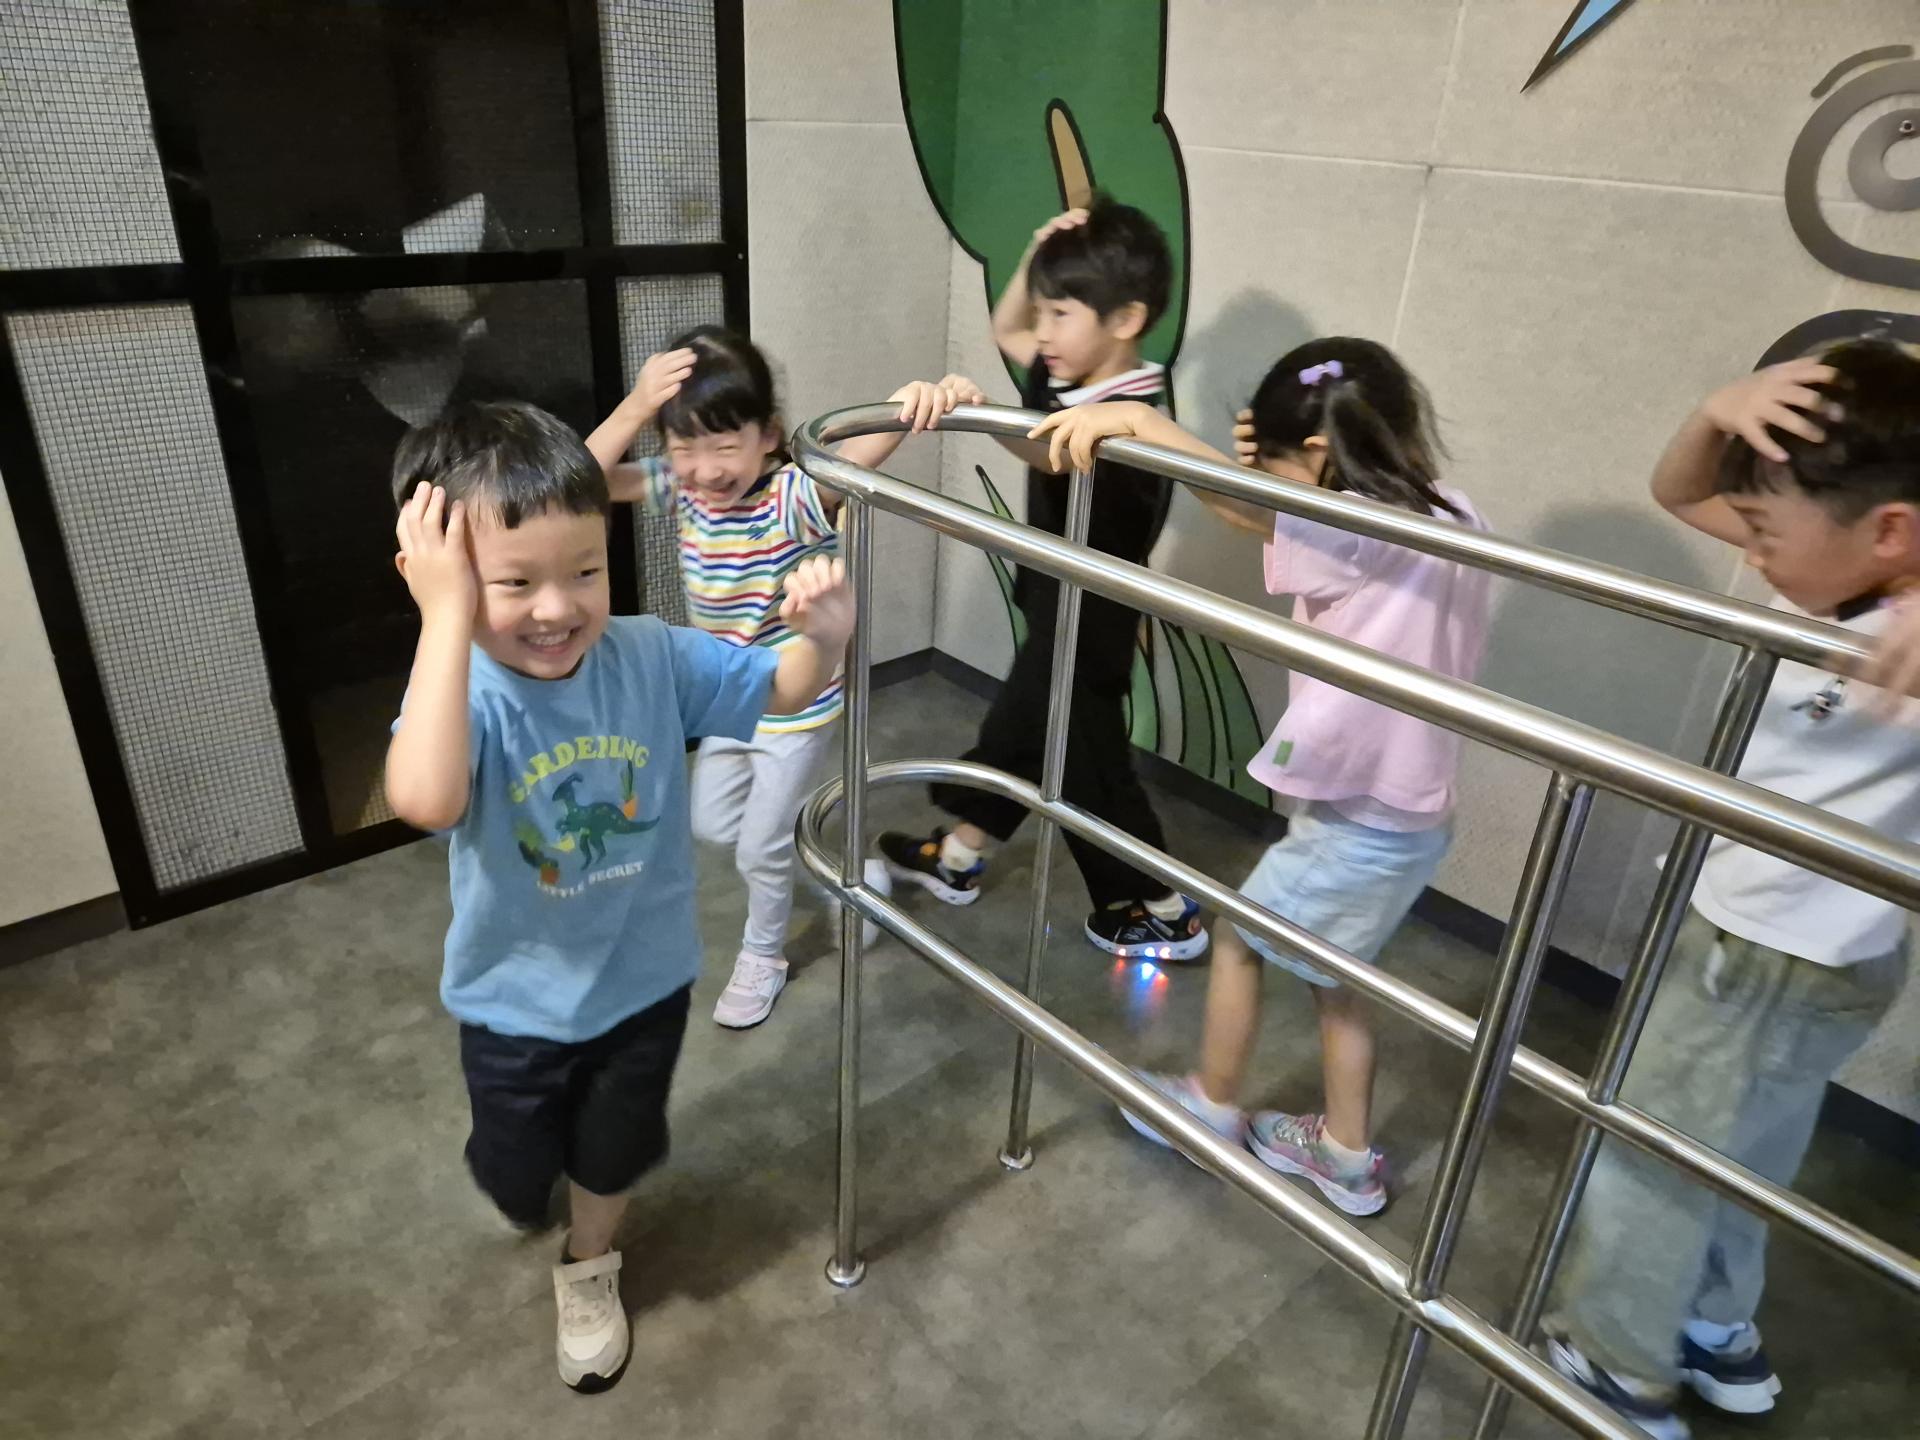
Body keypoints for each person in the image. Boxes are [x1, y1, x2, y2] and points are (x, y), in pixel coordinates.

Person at [383, 401, 853, 1392]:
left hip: (643, 982)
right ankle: (520, 1175)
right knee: (514, 1175)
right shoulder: (461, 692)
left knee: (616, 1148)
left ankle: (590, 1259)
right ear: (443, 581)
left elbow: (781, 688)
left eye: (585, 572)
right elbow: (425, 799)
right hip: (511, 1000)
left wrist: (826, 639)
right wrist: (443, 624)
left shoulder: (649, 655)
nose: (557, 609)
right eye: (515, 583)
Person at [1537, 342, 1920, 1440]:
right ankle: (1714, 1322)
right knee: (1745, 1150)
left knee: (1652, 1150)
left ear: (1888, 530)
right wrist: (1719, 409)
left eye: (1764, 532)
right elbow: (1680, 490)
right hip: (1823, 955)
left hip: (1758, 950)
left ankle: (1617, 1360)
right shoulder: (1841, 580)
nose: (1749, 556)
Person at [1033, 337, 1491, 1218]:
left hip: (1362, 822)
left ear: (1318, 454)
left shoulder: (1358, 528)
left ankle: (1208, 1110)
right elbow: (1266, 510)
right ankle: (1346, 1158)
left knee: (1241, 940)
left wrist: (1140, 421)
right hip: (1406, 813)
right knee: (1338, 978)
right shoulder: (1446, 511)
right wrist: (1267, 471)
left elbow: (1253, 507)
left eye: (1286, 467)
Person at [587, 326, 980, 1028]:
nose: (705, 468)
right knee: (714, 826)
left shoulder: (791, 497)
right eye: (684, 447)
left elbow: (863, 448)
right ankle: (850, 874)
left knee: (759, 848)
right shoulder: (680, 489)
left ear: (767, 436)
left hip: (797, 705)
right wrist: (635, 406)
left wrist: (922, 398)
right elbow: (577, 482)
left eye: (724, 446)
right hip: (725, 699)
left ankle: (762, 955)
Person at [876, 196, 1209, 961]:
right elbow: (1009, 329)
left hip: (1093, 619)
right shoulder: (1073, 375)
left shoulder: (1128, 416)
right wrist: (1037, 248)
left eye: (1062, 313)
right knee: (1023, 734)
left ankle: (1161, 907)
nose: (1044, 331)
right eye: (1045, 309)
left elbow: (1051, 452)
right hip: (1057, 602)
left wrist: (978, 411)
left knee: (1089, 765)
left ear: (1126, 320)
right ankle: (958, 858)